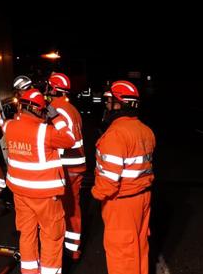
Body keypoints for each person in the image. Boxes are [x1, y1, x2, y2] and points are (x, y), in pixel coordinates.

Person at [3, 88, 76, 274]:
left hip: (20, 193)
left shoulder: (8, 126)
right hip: (45, 197)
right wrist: (57, 117)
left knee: (27, 235)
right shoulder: (45, 132)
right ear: (40, 110)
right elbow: (70, 139)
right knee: (51, 237)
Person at [92, 81, 155, 274]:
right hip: (143, 198)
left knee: (121, 256)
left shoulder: (115, 135)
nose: (107, 105)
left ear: (120, 103)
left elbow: (108, 184)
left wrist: (95, 193)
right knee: (139, 249)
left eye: (109, 100)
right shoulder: (145, 131)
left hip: (122, 204)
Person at [44, 72, 86, 261]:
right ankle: (73, 247)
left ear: (53, 89)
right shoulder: (72, 109)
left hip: (65, 166)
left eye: (48, 87)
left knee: (60, 207)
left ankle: (61, 246)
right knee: (73, 206)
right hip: (77, 165)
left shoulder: (55, 110)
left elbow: (54, 139)